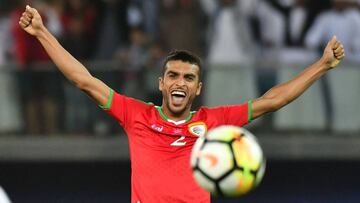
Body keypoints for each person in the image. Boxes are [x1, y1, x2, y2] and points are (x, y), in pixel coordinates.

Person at [19, 5, 345, 203]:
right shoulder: (137, 114)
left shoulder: (213, 121)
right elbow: (84, 80)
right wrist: (42, 32)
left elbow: (272, 101)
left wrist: (322, 65)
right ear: (161, 83)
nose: (179, 82)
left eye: (188, 78)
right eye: (173, 75)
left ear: (198, 88)